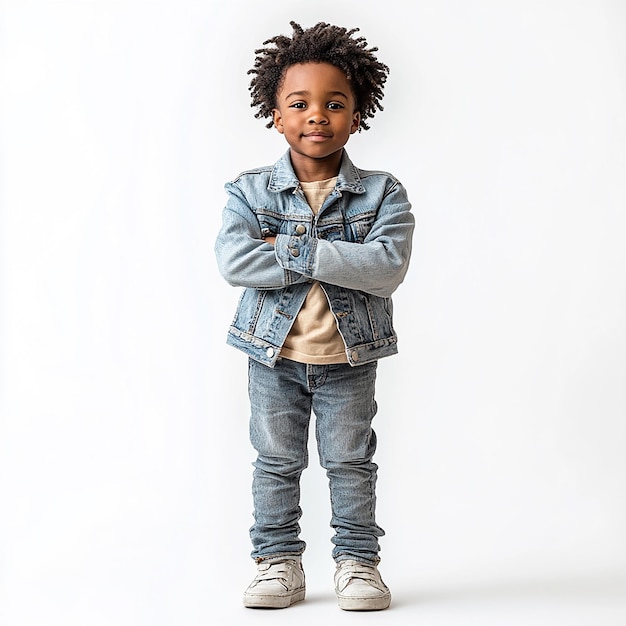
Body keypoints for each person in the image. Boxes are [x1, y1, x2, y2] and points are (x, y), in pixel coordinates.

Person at [214, 21, 414, 611]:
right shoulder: (248, 191)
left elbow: (387, 266)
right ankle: (278, 563)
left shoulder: (383, 193)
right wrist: (338, 258)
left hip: (348, 359)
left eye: (334, 103)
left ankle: (358, 564)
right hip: (272, 357)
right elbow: (234, 260)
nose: (317, 116)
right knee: (275, 462)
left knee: (350, 461)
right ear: (275, 115)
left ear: (356, 115)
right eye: (299, 104)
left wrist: (288, 249)